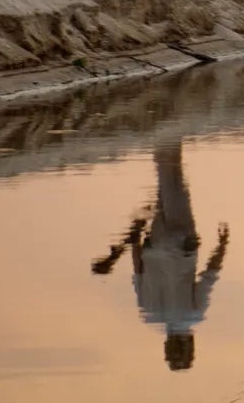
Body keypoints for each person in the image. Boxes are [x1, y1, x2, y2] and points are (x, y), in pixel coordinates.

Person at [90, 138, 229, 371]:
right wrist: (137, 233)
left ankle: (167, 135)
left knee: (173, 183)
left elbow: (210, 275)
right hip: (154, 244)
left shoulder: (193, 316)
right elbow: (138, 270)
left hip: (182, 241)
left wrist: (223, 245)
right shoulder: (149, 315)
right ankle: (167, 138)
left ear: (189, 345)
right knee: (166, 186)